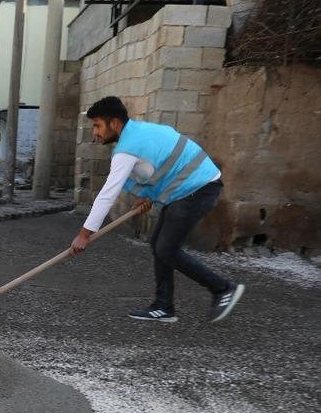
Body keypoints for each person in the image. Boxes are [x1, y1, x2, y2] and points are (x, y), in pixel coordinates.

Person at [70, 96, 244, 324]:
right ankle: (164, 307)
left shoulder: (127, 148)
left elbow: (107, 194)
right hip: (192, 188)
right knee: (158, 245)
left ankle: (223, 289)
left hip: (198, 189)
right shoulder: (139, 132)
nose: (95, 132)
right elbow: (157, 167)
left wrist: (85, 234)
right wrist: (147, 195)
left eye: (97, 125)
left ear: (114, 123)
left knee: (167, 249)